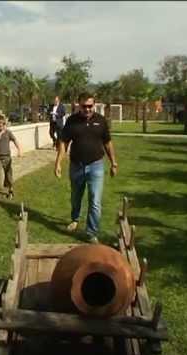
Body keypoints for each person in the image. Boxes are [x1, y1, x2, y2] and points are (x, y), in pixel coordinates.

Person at [54, 92, 118, 243]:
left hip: (96, 165)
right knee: (76, 196)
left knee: (95, 200)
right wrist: (58, 163)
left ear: (94, 105)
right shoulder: (72, 121)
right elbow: (64, 143)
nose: (87, 109)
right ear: (79, 105)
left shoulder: (101, 121)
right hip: (76, 165)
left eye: (90, 106)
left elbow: (108, 143)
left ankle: (91, 232)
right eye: (84, 106)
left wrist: (113, 163)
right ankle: (75, 219)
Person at [0, 114, 22, 203]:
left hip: (7, 158)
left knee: (8, 176)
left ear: (4, 125)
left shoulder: (8, 133)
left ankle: (10, 190)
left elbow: (15, 140)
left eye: (0, 125)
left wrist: (19, 150)